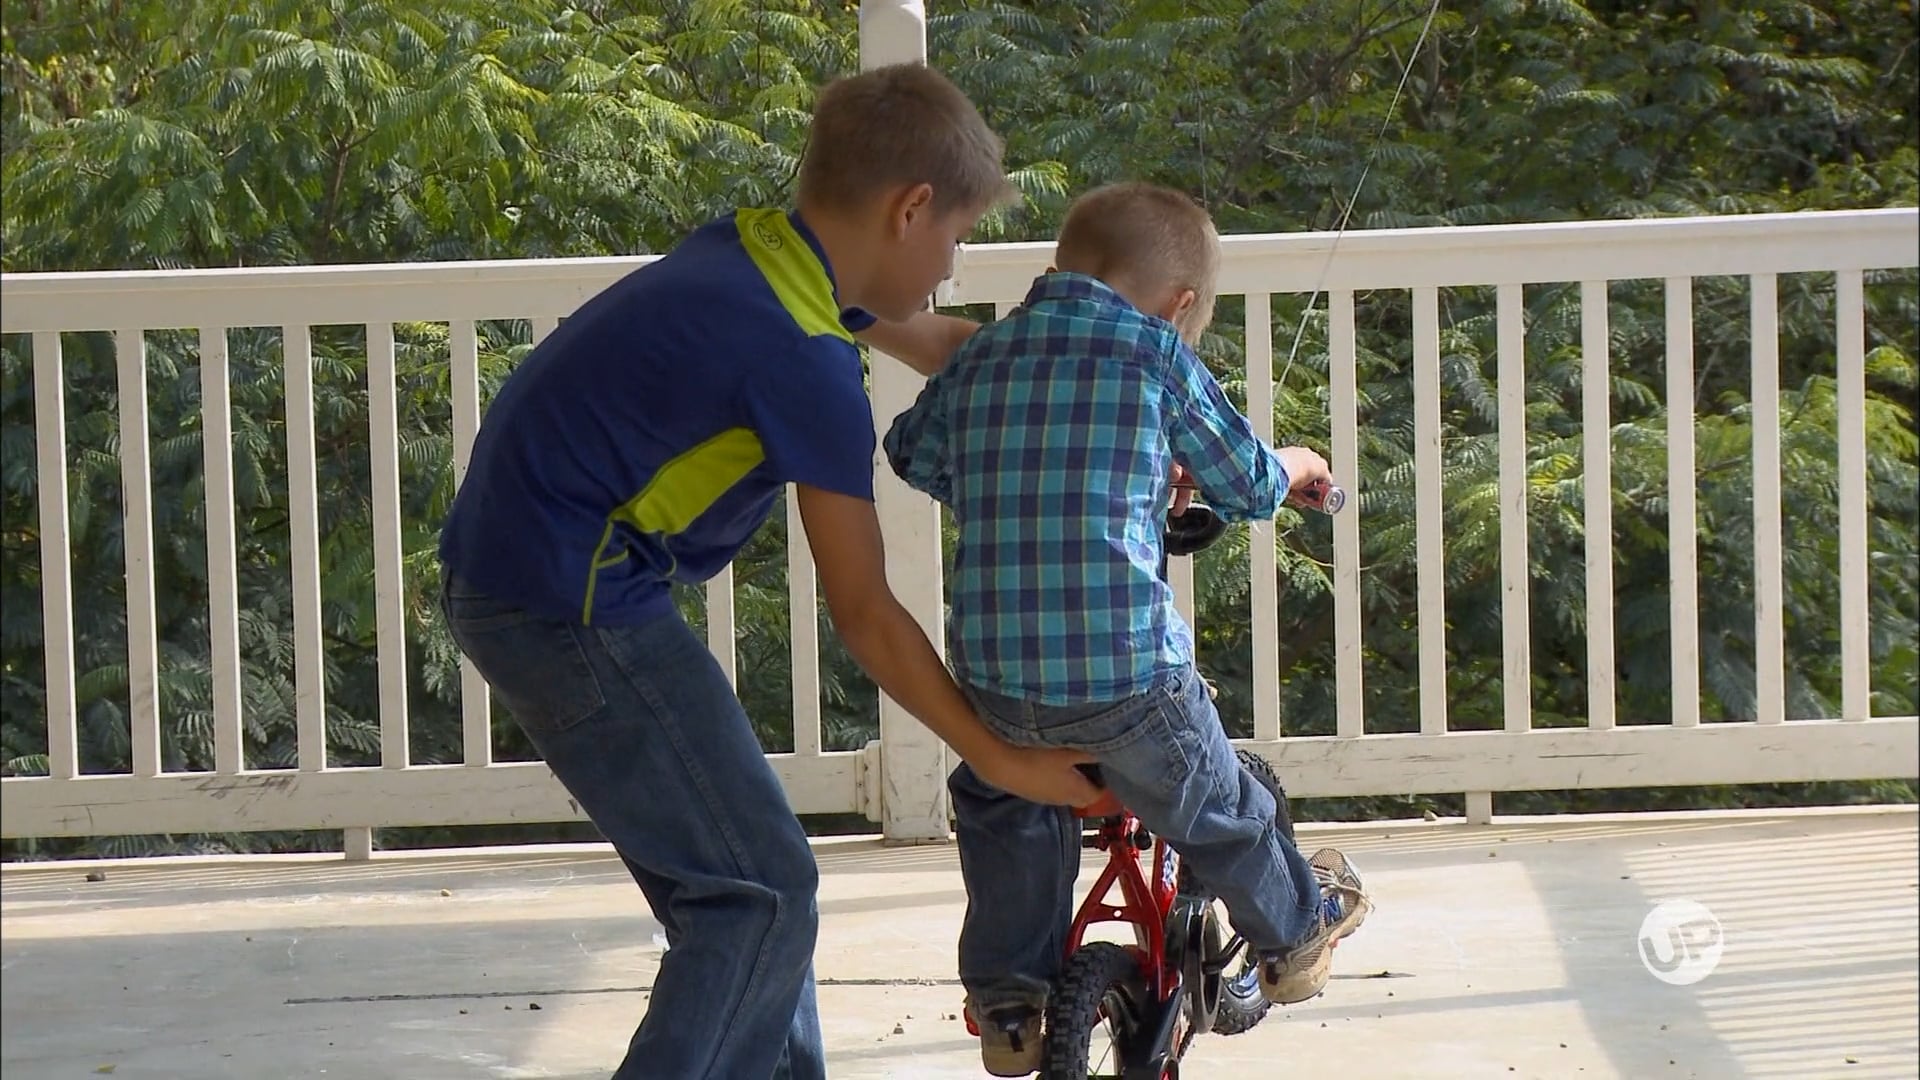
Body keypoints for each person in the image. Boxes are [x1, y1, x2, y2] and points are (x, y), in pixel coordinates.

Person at [436, 63, 1103, 1080]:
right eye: (954, 239)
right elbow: (868, 614)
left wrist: (1112, 401)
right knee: (758, 895)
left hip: (531, 571)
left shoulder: (764, 257)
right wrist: (1004, 759)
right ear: (910, 208)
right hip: (562, 599)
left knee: (749, 891)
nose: (950, 265)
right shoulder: (800, 355)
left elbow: (941, 342)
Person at [882, 181, 1375, 1076]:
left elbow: (914, 453)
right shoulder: (1157, 356)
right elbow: (1248, 481)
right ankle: (1298, 931)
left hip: (996, 690)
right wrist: (1295, 462)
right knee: (1221, 808)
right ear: (1180, 304)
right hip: (1128, 684)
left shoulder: (985, 355)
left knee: (1004, 813)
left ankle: (1009, 999)